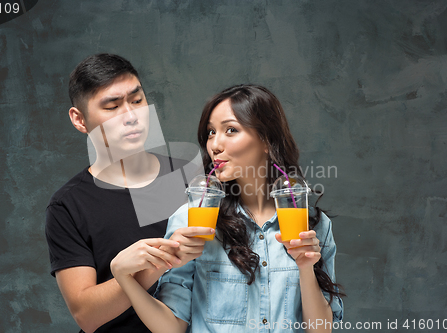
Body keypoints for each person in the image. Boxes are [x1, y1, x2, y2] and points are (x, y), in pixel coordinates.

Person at [110, 84, 345, 332]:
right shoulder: (191, 221)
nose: (215, 145)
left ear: (266, 140)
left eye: (230, 130)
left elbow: (320, 329)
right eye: (211, 132)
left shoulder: (313, 225)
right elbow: (171, 327)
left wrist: (306, 267)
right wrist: (125, 278)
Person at [45, 53, 214, 333]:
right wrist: (160, 263)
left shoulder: (193, 177)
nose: (132, 116)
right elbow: (86, 316)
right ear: (79, 119)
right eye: (112, 106)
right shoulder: (68, 206)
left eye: (137, 101)